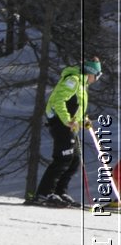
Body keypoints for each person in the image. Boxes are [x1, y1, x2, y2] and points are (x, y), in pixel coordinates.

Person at [31, 58, 102, 207]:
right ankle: (44, 194)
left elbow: (75, 106)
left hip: (68, 124)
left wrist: (82, 120)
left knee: (74, 159)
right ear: (91, 73)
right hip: (61, 123)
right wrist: (67, 120)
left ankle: (59, 192)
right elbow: (59, 101)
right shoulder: (74, 80)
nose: (96, 79)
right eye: (98, 75)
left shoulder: (82, 84)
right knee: (63, 158)